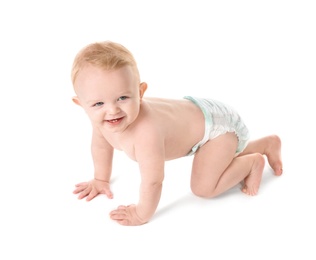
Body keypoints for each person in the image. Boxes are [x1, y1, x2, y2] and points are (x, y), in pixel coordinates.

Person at [71, 40, 283, 226]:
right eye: (98, 103)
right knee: (216, 161)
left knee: (203, 188)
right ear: (81, 105)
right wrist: (100, 179)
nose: (112, 110)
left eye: (123, 98)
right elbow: (101, 146)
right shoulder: (103, 121)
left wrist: (140, 214)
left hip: (216, 131)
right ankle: (266, 144)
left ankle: (253, 162)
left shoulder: (146, 133)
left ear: (140, 92)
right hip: (200, 117)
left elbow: (153, 181)